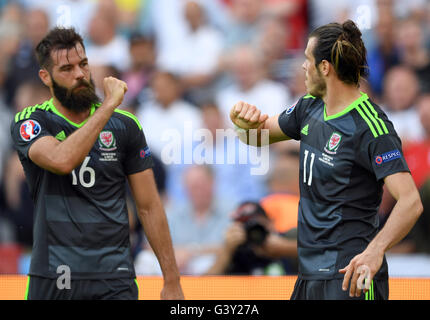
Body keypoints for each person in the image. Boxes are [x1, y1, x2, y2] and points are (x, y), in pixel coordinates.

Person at [230, 20, 423, 300]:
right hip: (308, 277)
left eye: (307, 59)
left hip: (350, 278)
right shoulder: (309, 107)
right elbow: (257, 135)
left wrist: (375, 251)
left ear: (325, 67)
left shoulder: (371, 126)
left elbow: (410, 202)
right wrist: (239, 120)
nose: (302, 67)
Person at [9, 27, 183, 300]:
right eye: (67, 68)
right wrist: (108, 106)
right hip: (54, 275)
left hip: (114, 276)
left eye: (84, 64)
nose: (79, 74)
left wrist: (171, 280)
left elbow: (149, 206)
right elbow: (62, 160)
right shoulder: (31, 122)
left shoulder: (125, 126)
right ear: (46, 77)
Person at [206, 201, 297, 276]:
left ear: (270, 224)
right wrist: (227, 250)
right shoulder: (236, 251)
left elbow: (311, 253)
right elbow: (203, 287)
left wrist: (285, 248)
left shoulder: (286, 239)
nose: (253, 233)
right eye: (246, 226)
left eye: (257, 225)